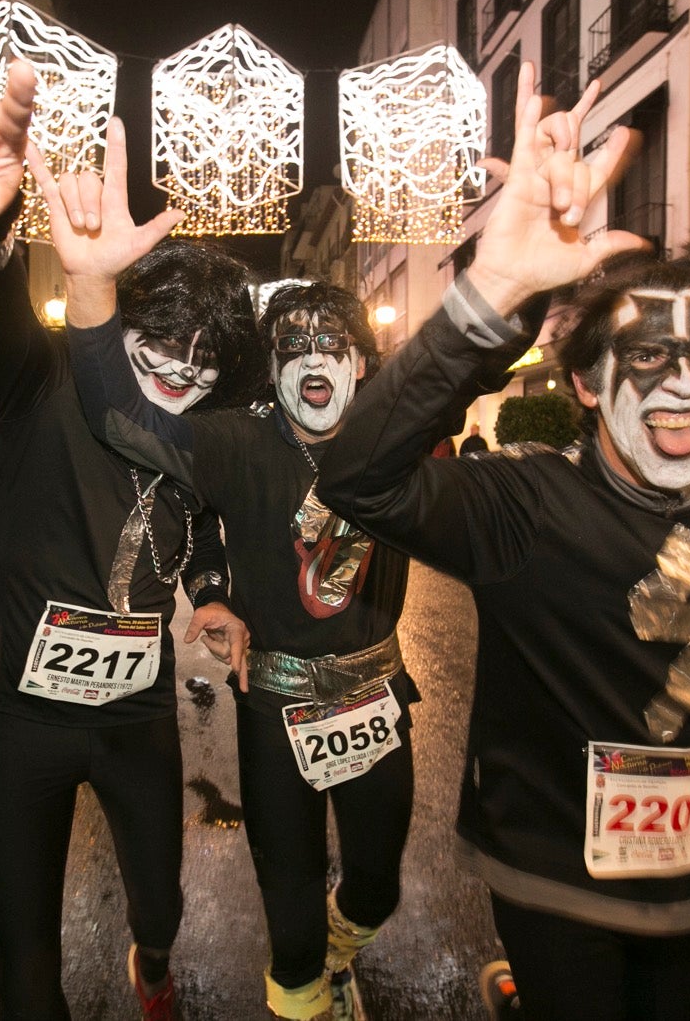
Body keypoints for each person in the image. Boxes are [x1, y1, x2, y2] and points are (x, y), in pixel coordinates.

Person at [315, 62, 690, 1021]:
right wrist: (492, 288)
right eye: (648, 356)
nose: (682, 384)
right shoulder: (522, 504)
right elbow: (354, 475)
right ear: (585, 384)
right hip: (552, 876)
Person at [31, 109, 491, 1016]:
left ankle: (340, 946)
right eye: (293, 347)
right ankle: (302, 985)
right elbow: (125, 418)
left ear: (366, 362)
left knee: (374, 886)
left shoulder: (394, 436)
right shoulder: (234, 443)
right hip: (274, 703)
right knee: (287, 907)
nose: (315, 359)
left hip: (376, 698)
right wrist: (91, 296)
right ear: (271, 367)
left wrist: (515, 271)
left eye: (334, 345)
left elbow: (473, 363)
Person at [0, 8, 256, 1020]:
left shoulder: (200, 432)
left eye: (200, 365)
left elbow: (206, 521)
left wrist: (212, 594)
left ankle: (155, 961)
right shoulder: (43, 379)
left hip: (136, 718)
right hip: (19, 719)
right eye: (158, 350)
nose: (177, 376)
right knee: (25, 962)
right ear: (121, 326)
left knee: (163, 904)